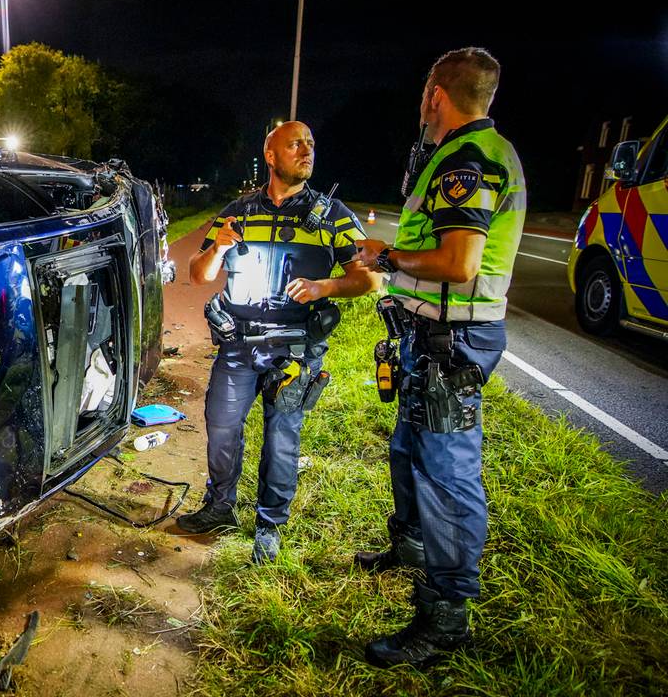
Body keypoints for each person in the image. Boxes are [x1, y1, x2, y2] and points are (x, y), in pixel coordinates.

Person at [353, 47, 526, 668]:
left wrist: (390, 259)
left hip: (454, 344)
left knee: (447, 477)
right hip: (429, 340)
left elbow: (459, 263)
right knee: (407, 449)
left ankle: (447, 615)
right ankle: (411, 549)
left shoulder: (469, 158)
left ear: (436, 94)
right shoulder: (457, 154)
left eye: (425, 92)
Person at [176, 121, 380, 565]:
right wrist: (216, 249)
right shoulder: (239, 212)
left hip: (295, 349)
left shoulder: (333, 215)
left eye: (310, 143)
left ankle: (269, 526)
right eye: (295, 144)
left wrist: (324, 288)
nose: (307, 151)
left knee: (281, 439)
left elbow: (368, 278)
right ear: (271, 156)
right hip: (238, 345)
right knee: (222, 427)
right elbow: (197, 275)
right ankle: (220, 507)